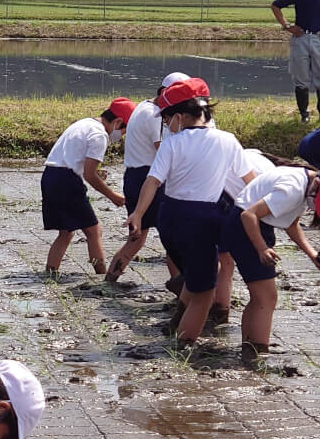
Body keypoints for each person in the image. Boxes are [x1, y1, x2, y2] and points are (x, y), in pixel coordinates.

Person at [126, 78, 258, 346]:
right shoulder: (227, 140)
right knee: (204, 294)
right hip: (201, 220)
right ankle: (183, 349)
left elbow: (153, 181)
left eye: (166, 118)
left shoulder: (173, 143)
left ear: (180, 116)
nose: (165, 124)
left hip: (170, 217)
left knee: (197, 276)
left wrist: (138, 214)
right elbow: (251, 181)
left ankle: (177, 321)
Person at [224, 163, 320, 364]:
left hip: (252, 228)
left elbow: (291, 224)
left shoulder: (303, 182)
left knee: (260, 297)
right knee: (267, 298)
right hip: (247, 230)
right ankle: (256, 356)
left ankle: (250, 348)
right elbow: (248, 215)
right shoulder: (292, 189)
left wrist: (313, 255)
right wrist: (261, 248)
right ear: (318, 183)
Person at [105, 72, 187, 285]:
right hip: (148, 178)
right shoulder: (156, 116)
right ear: (164, 93)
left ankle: (110, 280)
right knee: (171, 235)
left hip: (134, 176)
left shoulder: (143, 107)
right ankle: (179, 284)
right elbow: (164, 153)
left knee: (137, 238)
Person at [41, 98, 135, 276]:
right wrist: (113, 196)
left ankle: (50, 272)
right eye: (123, 131)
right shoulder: (100, 136)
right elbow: (89, 175)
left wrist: (96, 173)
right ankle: (101, 276)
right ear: (118, 122)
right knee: (94, 230)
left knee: (66, 232)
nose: (121, 136)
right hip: (66, 181)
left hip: (50, 176)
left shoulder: (85, 123)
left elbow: (77, 160)